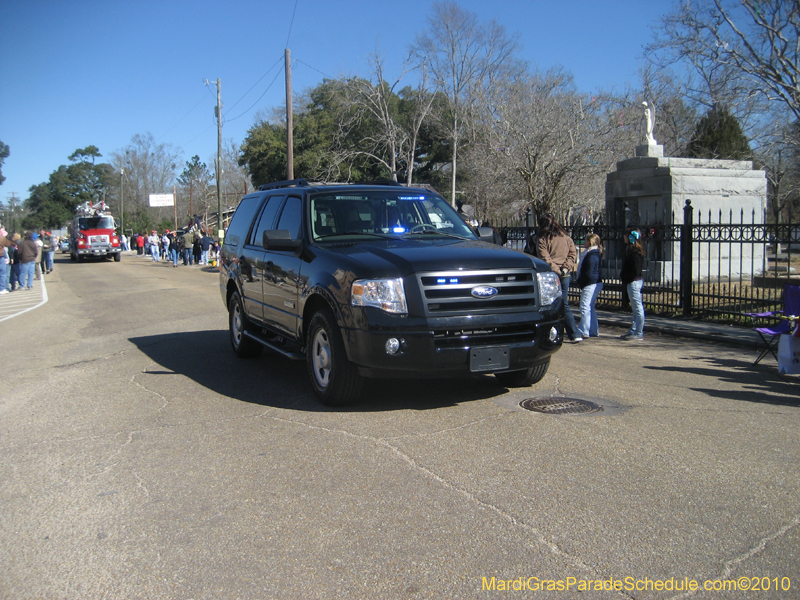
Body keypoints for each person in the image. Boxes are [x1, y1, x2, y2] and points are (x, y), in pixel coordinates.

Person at [530, 213, 581, 342]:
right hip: (565, 274)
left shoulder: (542, 238)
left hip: (550, 275)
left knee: (551, 305)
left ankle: (572, 333)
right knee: (563, 302)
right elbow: (572, 253)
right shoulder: (565, 237)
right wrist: (565, 268)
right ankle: (571, 333)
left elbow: (544, 257)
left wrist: (557, 270)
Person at [576, 233, 603, 339]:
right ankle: (593, 330)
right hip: (593, 282)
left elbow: (589, 272)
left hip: (590, 283)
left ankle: (584, 330)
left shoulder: (591, 255)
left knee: (584, 306)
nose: (584, 242)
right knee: (590, 307)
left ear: (590, 242)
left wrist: (581, 281)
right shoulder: (592, 253)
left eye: (586, 240)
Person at [620, 229, 646, 341]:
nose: (624, 237)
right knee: (635, 309)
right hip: (632, 282)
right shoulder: (630, 250)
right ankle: (633, 329)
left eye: (625, 235)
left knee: (637, 307)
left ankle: (638, 332)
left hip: (634, 282)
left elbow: (636, 270)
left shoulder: (635, 252)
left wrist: (627, 278)